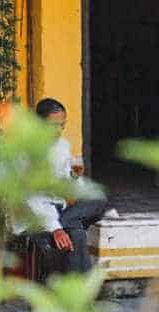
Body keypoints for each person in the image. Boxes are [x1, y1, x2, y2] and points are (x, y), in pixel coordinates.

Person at [25, 98, 108, 273]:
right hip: (38, 212)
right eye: (53, 125)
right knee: (76, 232)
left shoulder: (61, 146)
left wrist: (74, 178)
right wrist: (55, 228)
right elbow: (32, 198)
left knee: (98, 197)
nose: (58, 131)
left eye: (62, 125)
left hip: (62, 208)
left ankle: (66, 221)